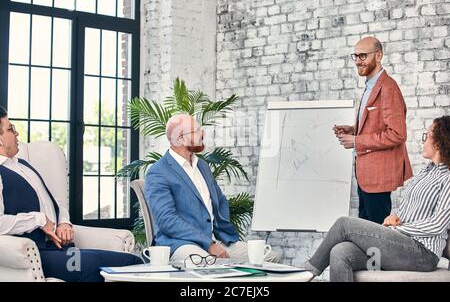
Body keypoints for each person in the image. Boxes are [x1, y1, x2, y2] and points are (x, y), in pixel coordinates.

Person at [0, 106, 142, 282]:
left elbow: (55, 202)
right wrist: (39, 219)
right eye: (10, 129)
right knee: (117, 265)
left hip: (63, 250)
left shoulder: (23, 165)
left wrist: (64, 222)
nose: (17, 133)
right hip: (40, 254)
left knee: (134, 262)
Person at [304, 116, 450, 282]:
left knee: (344, 224)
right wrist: (395, 217)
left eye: (427, 136)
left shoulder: (447, 178)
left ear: (439, 141)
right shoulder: (426, 172)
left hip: (422, 254)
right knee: (340, 251)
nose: (423, 141)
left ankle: (306, 273)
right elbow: (410, 208)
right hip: (403, 245)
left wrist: (400, 229)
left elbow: (438, 224)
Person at [145, 114, 280, 264]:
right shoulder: (158, 172)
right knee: (205, 263)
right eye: (196, 130)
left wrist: (220, 233)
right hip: (182, 243)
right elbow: (166, 220)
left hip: (216, 240)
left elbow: (220, 201)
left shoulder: (202, 165)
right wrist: (207, 244)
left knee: (269, 257)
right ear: (181, 139)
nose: (203, 133)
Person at [333, 37, 412, 224]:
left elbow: (397, 133)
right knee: (366, 231)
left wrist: (356, 141)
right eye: (356, 56)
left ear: (379, 56)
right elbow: (377, 124)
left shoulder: (388, 88)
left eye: (363, 55)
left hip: (378, 176)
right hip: (365, 174)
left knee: (376, 234)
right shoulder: (370, 86)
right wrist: (354, 130)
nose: (358, 61)